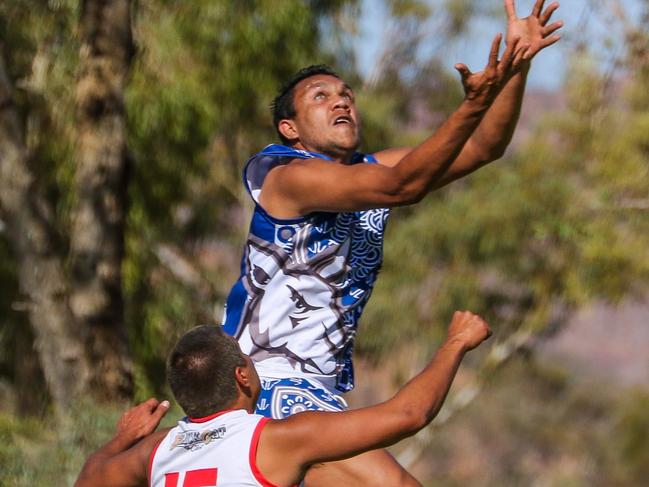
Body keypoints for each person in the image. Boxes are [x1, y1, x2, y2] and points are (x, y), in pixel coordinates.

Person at [220, 1, 562, 485]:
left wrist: (518, 65)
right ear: (289, 129)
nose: (341, 101)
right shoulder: (285, 176)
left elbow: (485, 148)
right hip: (268, 384)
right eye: (320, 97)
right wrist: (471, 104)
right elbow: (405, 186)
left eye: (346, 94)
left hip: (321, 391)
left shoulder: (369, 171)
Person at [75, 310, 491, 487]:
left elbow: (89, 480)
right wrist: (456, 342)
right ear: (242, 376)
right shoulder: (277, 438)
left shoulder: (156, 449)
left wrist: (122, 438)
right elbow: (409, 414)